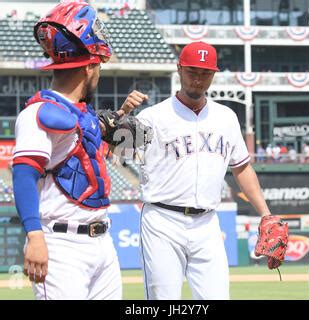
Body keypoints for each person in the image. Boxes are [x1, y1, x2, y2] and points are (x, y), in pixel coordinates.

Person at [12, 1, 147, 300]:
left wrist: (117, 122)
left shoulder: (82, 114)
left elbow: (88, 156)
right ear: (89, 67)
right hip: (60, 244)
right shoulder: (41, 113)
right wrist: (34, 235)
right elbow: (22, 176)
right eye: (98, 65)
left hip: (101, 241)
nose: (98, 71)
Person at [135, 41, 275, 300]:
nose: (198, 80)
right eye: (192, 72)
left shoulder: (226, 117)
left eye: (205, 73)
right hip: (163, 220)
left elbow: (242, 168)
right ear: (179, 70)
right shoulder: (151, 117)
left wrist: (265, 214)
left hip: (208, 223)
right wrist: (123, 117)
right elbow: (117, 152)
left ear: (213, 75)